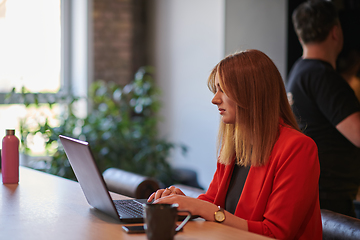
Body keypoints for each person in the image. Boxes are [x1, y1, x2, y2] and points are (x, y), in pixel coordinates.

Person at [148, 49, 322, 239]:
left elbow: (275, 234)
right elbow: (212, 201)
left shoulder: (298, 148)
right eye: (216, 89)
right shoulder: (234, 145)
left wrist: (202, 208)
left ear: (251, 93)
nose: (215, 99)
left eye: (223, 89)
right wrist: (182, 203)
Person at [286, 0, 360, 217]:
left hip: (314, 190)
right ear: (336, 32)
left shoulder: (300, 71)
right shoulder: (324, 77)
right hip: (330, 197)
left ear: (300, 37)